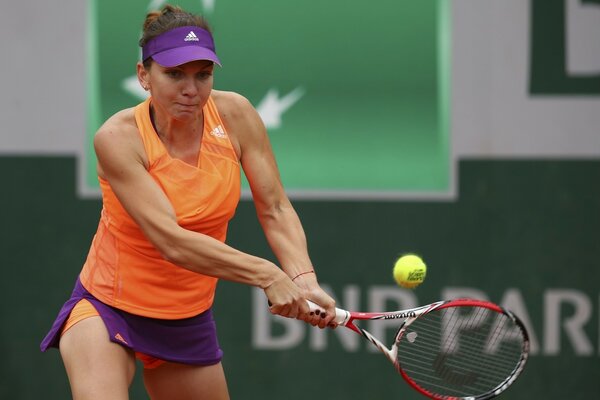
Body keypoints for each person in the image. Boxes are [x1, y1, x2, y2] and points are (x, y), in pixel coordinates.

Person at [41, 5, 336, 399]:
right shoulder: (117, 138)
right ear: (143, 75)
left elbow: (275, 207)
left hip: (185, 317)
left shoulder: (237, 116)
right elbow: (172, 241)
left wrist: (304, 280)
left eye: (203, 74)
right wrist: (268, 274)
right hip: (107, 305)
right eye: (174, 74)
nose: (191, 89)